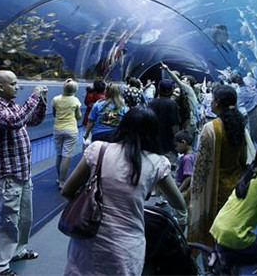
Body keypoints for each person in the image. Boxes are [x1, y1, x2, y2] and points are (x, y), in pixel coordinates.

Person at [61, 107, 187, 275]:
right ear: (152, 133)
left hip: (88, 240)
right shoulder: (157, 163)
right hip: (126, 247)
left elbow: (67, 190)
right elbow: (178, 203)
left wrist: (92, 204)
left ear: (123, 126)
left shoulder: (98, 149)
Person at [0, 70, 47, 276]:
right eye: (13, 84)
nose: (17, 87)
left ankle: (18, 251)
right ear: (1, 87)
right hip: (9, 175)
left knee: (24, 218)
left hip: (23, 172)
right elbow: (15, 122)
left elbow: (33, 120)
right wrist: (34, 96)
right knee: (5, 221)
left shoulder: (13, 106)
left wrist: (41, 102)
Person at [188, 84, 255, 247]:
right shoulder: (240, 125)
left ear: (217, 103)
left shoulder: (210, 129)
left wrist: (194, 194)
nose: (210, 104)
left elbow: (201, 167)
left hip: (215, 191)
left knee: (212, 233)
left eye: (212, 100)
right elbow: (244, 158)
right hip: (235, 188)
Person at [210, 143, 257, 275]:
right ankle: (228, 258)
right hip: (233, 235)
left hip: (218, 228)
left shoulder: (250, 171)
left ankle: (222, 251)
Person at [51, 78, 82, 189]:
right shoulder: (76, 101)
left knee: (59, 155)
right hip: (71, 130)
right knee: (66, 156)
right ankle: (63, 182)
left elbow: (55, 114)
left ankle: (59, 178)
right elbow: (78, 117)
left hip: (58, 129)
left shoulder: (56, 99)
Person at [162, 63, 201, 142]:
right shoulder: (188, 93)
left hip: (191, 121)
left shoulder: (188, 89)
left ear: (189, 82)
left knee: (185, 140)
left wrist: (167, 69)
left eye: (184, 80)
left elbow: (177, 80)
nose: (181, 81)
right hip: (191, 120)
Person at [148, 79, 181, 167]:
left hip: (152, 142)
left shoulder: (151, 103)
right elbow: (175, 125)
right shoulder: (172, 104)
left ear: (159, 89)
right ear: (170, 91)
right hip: (167, 143)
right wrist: (176, 141)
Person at [174, 130, 196, 200]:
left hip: (184, 189)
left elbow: (188, 177)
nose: (175, 148)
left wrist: (178, 191)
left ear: (183, 142)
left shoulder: (187, 158)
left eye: (176, 145)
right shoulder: (193, 155)